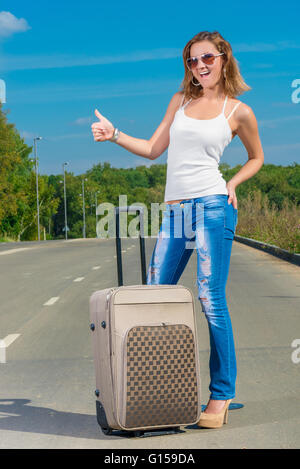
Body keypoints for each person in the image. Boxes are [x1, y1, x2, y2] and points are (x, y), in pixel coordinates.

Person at [91, 30, 264, 429]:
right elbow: (154, 149)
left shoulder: (238, 111)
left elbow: (256, 157)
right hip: (176, 212)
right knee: (153, 296)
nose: (199, 66)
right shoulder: (180, 102)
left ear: (223, 58)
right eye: (191, 61)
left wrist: (233, 184)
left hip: (212, 207)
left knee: (209, 297)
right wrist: (114, 134)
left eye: (206, 58)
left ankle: (221, 394)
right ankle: (156, 390)